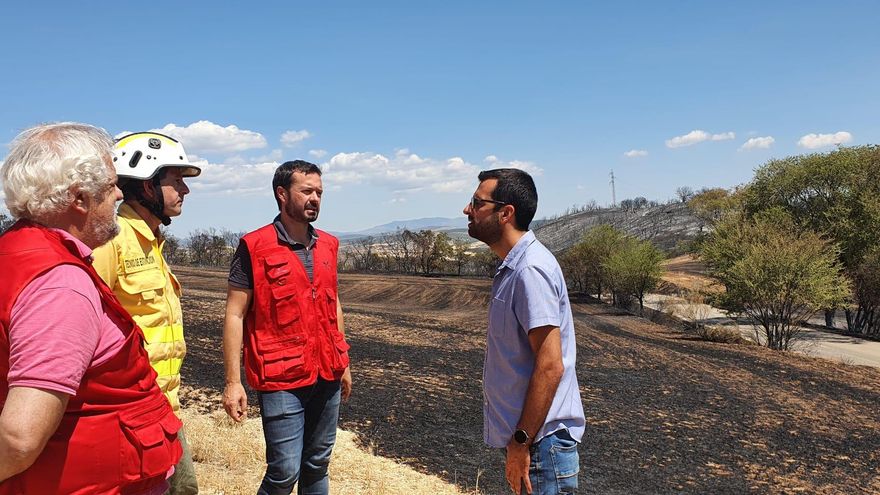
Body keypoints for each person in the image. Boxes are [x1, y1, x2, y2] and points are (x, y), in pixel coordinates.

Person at [0, 122, 182, 494]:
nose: (118, 194)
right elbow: (20, 438)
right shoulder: (60, 283)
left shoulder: (19, 252)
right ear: (79, 199)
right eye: (110, 186)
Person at [222, 160, 352, 495]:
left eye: (319, 192)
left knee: (317, 464)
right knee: (284, 471)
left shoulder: (329, 245)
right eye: (307, 191)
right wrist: (233, 382)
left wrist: (345, 362)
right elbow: (235, 314)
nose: (315, 199)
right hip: (280, 377)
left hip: (328, 371)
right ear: (282, 194)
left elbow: (332, 303)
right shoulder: (254, 247)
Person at [463, 168, 586, 495]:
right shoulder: (515, 267)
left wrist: (520, 442)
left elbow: (550, 365)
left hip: (540, 447)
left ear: (505, 213)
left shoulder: (530, 269)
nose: (467, 209)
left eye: (477, 202)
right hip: (534, 443)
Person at [92, 131, 201, 495]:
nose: (184, 190)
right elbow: (90, 321)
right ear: (146, 185)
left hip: (165, 406)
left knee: (184, 489)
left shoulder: (152, 241)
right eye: (176, 180)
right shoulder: (114, 239)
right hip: (132, 411)